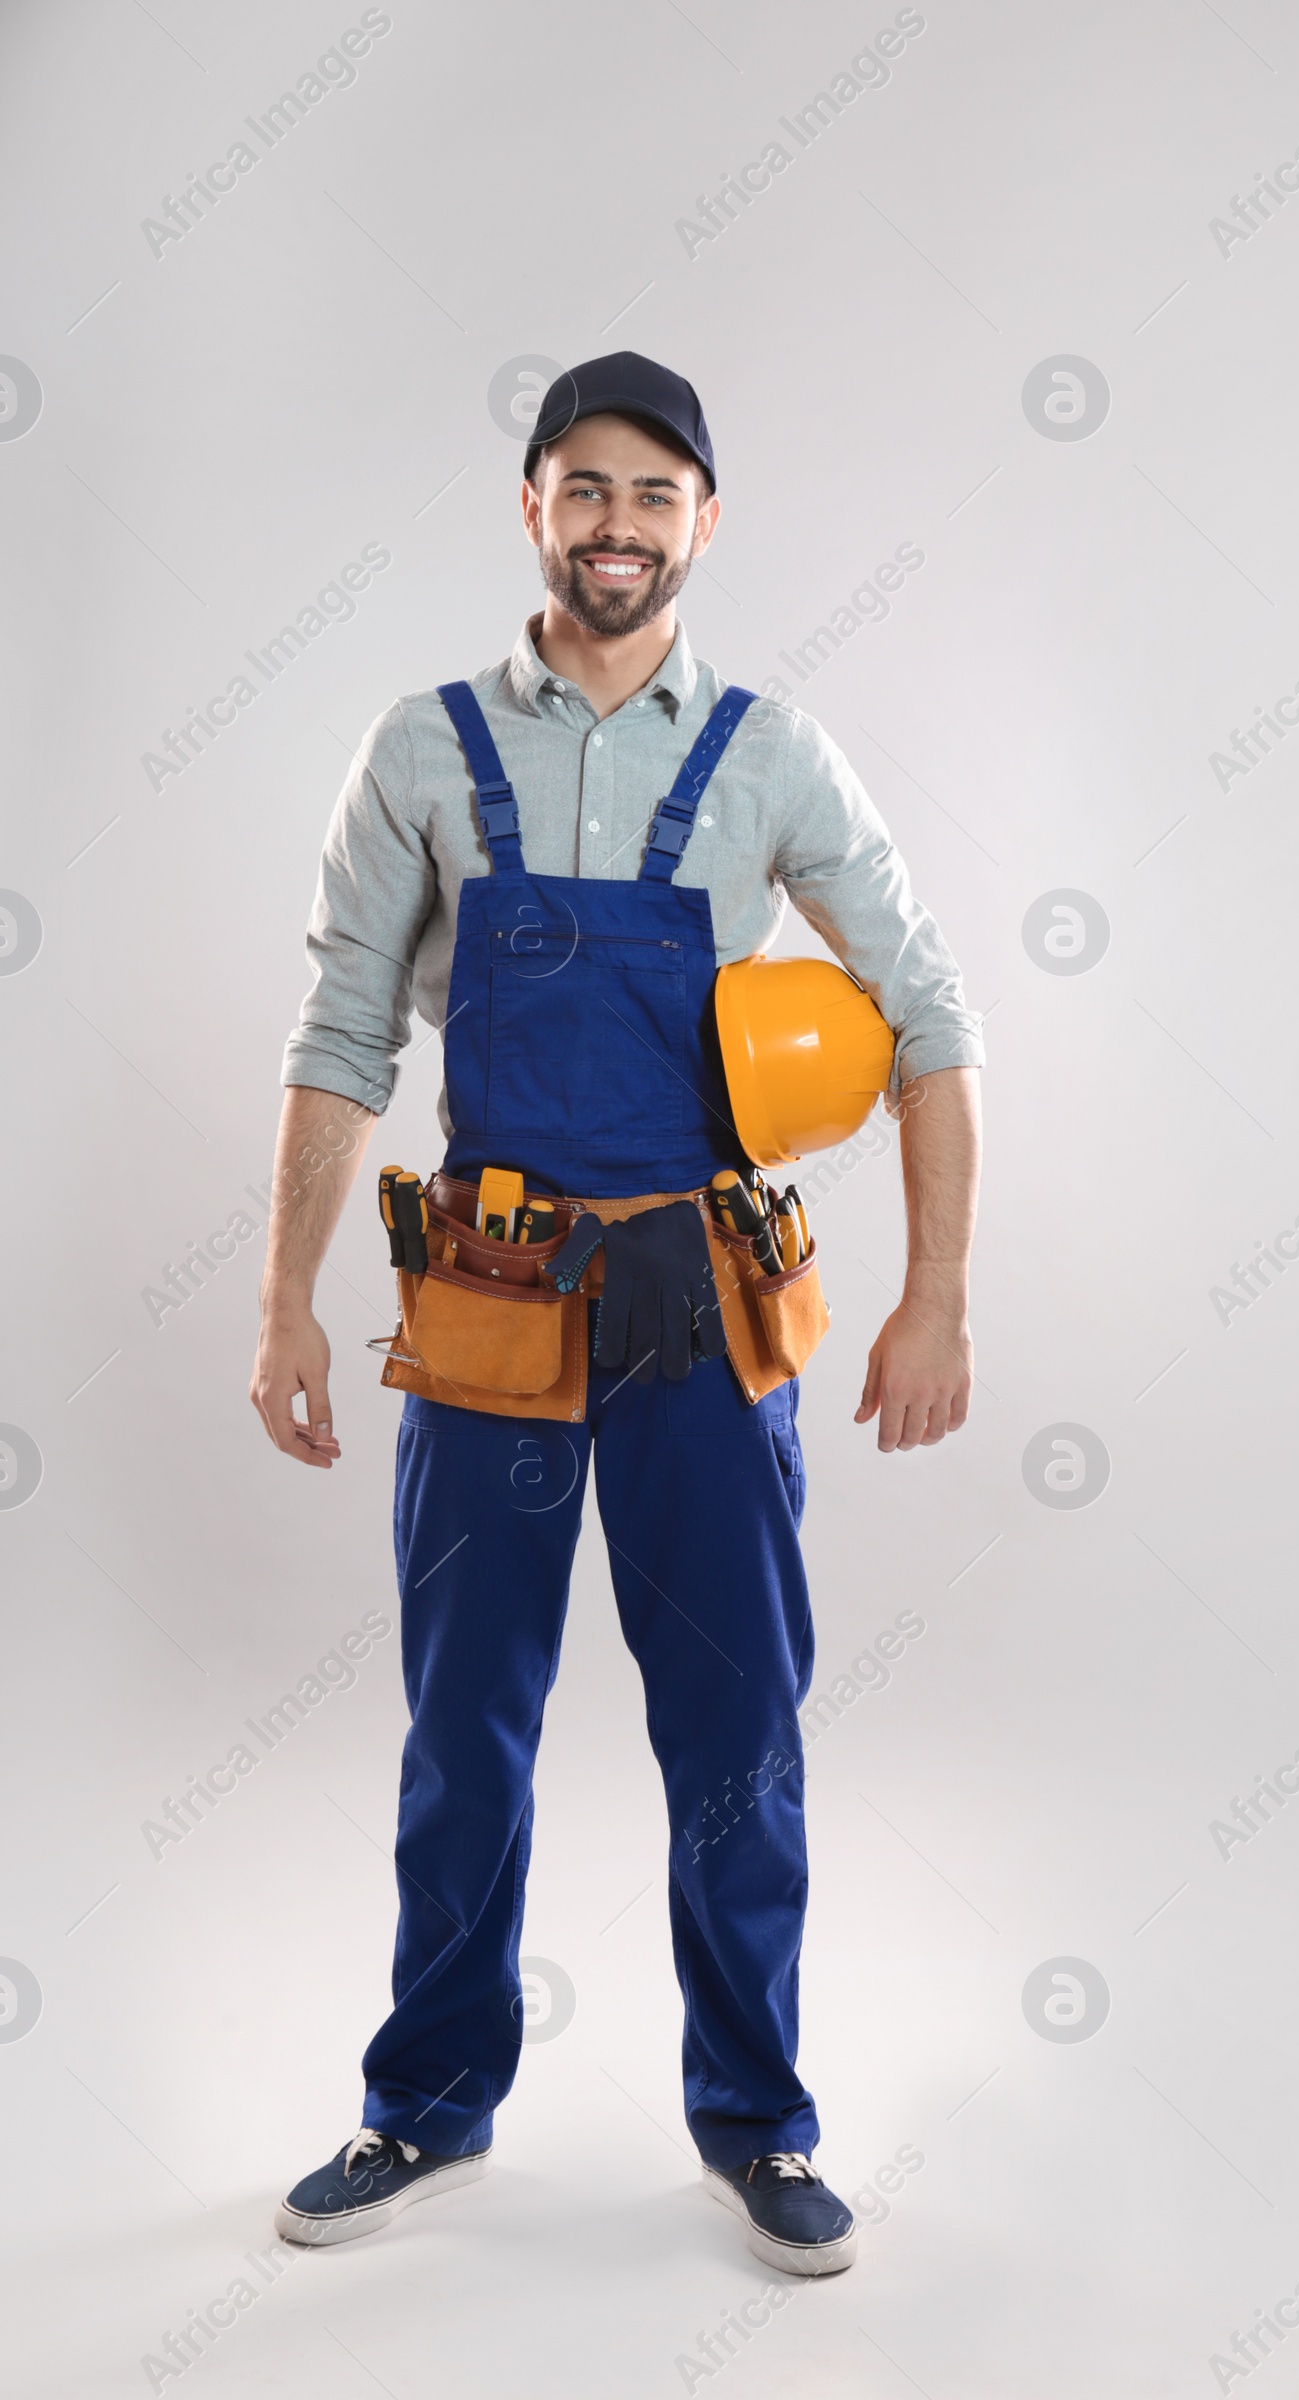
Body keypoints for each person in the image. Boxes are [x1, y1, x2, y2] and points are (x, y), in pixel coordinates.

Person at [249, 351, 983, 2275]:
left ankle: (757, 2122)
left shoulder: (770, 753)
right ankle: (423, 2107)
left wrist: (939, 1300)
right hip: (486, 1305)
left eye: (655, 497)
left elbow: (932, 1021)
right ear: (534, 509)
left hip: (699, 1307)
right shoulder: (417, 752)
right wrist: (284, 1306)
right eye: (585, 489)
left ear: (704, 525)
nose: (618, 527)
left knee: (736, 1727)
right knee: (461, 1733)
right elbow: (337, 1039)